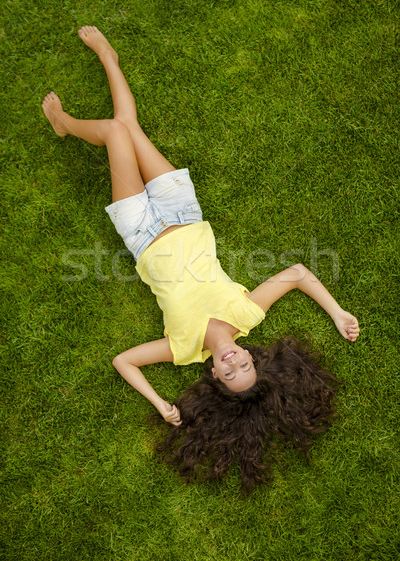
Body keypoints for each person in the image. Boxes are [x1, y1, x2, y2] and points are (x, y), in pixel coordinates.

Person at [42, 26, 360, 490]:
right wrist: (337, 312)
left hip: (140, 231)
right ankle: (109, 59)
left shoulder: (180, 350)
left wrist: (158, 403)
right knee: (129, 129)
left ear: (213, 374)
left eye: (228, 373)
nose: (233, 362)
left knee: (115, 132)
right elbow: (297, 273)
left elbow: (123, 361)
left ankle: (66, 123)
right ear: (251, 356)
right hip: (182, 212)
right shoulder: (246, 314)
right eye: (244, 366)